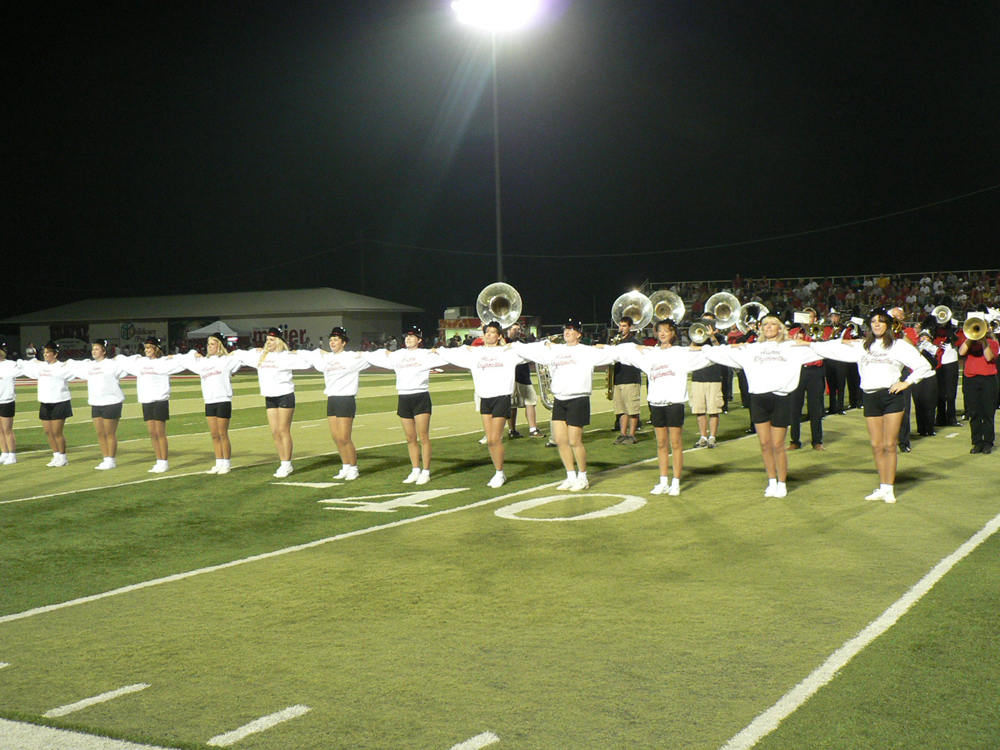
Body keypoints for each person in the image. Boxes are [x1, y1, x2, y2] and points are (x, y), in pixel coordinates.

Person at [811, 309, 932, 503]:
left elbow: (924, 366)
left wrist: (906, 383)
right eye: (873, 321)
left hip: (892, 396)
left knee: (890, 444)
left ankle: (890, 488)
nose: (877, 324)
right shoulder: (863, 346)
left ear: (889, 325)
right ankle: (883, 487)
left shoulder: (898, 345)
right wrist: (837, 342)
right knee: (876, 445)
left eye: (881, 321)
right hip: (870, 397)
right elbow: (829, 350)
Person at [699, 317, 822, 498]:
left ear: (780, 328)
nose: (769, 327)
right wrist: (703, 348)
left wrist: (849, 344)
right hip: (759, 399)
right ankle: (771, 481)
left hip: (780, 399)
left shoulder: (791, 347)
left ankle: (782, 483)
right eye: (765, 324)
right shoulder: (752, 348)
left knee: (778, 445)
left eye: (772, 324)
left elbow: (821, 349)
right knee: (764, 444)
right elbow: (721, 353)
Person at [514, 319, 617, 491]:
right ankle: (570, 476)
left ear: (579, 334)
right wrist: (510, 346)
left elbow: (615, 353)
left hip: (578, 398)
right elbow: (529, 350)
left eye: (571, 330)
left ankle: (583, 477)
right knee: (561, 440)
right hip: (560, 399)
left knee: (575, 441)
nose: (567, 332)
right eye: (566, 330)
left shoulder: (587, 351)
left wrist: (614, 348)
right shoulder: (556, 350)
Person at [616, 319, 712, 495]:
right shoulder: (650, 353)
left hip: (674, 403)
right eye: (659, 330)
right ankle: (663, 481)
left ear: (673, 333)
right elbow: (622, 351)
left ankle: (675, 482)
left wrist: (704, 347)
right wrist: (636, 348)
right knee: (661, 443)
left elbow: (708, 355)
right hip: (656, 403)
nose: (662, 334)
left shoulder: (681, 353)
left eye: (666, 331)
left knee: (675, 443)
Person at [436, 321, 526, 488]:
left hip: (501, 397)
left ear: (499, 336)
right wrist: (437, 350)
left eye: (493, 332)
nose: (489, 335)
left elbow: (529, 352)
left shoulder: (508, 352)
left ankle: (499, 473)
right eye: (487, 332)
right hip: (485, 397)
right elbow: (454, 354)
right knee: (490, 441)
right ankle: (498, 472)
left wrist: (515, 346)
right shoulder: (476, 352)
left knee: (494, 438)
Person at [363, 326, 446, 485]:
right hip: (403, 396)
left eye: (412, 336)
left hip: (420, 395)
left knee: (423, 437)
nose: (408, 339)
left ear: (419, 340)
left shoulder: (426, 354)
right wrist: (362, 354)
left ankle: (426, 472)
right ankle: (415, 470)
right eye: (407, 336)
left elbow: (445, 355)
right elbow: (380, 355)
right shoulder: (398, 355)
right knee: (410, 438)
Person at [233, 327, 310, 478]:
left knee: (283, 431)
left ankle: (287, 463)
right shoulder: (260, 355)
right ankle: (283, 463)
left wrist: (299, 352)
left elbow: (307, 363)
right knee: (275, 432)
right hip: (270, 396)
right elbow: (238, 355)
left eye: (272, 340)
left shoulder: (285, 356)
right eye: (267, 339)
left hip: (285, 395)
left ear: (279, 341)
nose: (268, 342)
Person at [299, 327, 370, 480]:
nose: (332, 342)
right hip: (332, 399)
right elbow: (309, 355)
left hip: (346, 399)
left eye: (336, 339)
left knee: (345, 437)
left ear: (344, 343)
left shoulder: (352, 357)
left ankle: (353, 468)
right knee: (336, 437)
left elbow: (373, 358)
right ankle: (345, 466)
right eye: (331, 340)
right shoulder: (326, 358)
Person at [117, 336, 187, 473]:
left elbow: (183, 361)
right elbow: (124, 360)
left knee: (160, 432)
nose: (147, 350)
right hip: (146, 400)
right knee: (152, 432)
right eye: (146, 348)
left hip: (160, 400)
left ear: (156, 349)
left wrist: (176, 357)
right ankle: (158, 460)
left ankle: (164, 461)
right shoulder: (141, 362)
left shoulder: (164, 362)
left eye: (149, 348)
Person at [180, 332, 245, 474]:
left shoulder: (227, 360)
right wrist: (194, 353)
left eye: (213, 344)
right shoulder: (203, 362)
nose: (210, 347)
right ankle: (218, 462)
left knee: (223, 433)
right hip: (209, 400)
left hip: (223, 399)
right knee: (214, 434)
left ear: (219, 345)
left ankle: (226, 463)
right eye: (208, 344)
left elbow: (240, 358)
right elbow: (185, 358)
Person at [68, 339, 128, 470]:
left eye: (97, 349)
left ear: (104, 351)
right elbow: (74, 366)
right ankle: (105, 459)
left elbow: (125, 367)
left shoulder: (112, 364)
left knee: (110, 433)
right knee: (100, 433)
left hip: (112, 402)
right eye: (93, 349)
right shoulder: (89, 365)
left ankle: (111, 460)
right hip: (96, 402)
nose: (94, 351)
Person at [19, 341, 77, 466]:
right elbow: (29, 364)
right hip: (45, 402)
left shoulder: (63, 367)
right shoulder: (42, 367)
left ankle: (63, 457)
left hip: (60, 401)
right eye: (44, 352)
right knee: (48, 431)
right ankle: (56, 455)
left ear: (55, 354)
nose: (45, 355)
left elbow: (77, 370)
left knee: (57, 432)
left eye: (48, 352)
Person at [957, 317, 998, 454]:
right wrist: (970, 338)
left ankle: (988, 442)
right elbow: (961, 352)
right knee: (974, 413)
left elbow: (989, 357)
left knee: (987, 412)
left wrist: (983, 341)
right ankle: (977, 442)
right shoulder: (969, 344)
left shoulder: (993, 343)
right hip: (971, 380)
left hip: (988, 380)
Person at [787, 315, 826, 451]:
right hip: (798, 371)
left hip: (815, 371)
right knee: (794, 407)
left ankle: (817, 441)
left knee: (815, 407)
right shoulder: (793, 332)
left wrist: (814, 336)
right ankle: (795, 441)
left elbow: (824, 347)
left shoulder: (820, 331)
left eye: (809, 317)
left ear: (814, 319)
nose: (806, 320)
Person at [691, 312, 726, 448]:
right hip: (698, 377)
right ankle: (703, 437)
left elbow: (720, 352)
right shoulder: (697, 336)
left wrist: (712, 337)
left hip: (713, 377)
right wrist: (696, 336)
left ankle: (712, 437)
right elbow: (690, 349)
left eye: (709, 323)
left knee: (713, 409)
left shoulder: (720, 338)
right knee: (699, 409)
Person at [505, 323, 544, 438]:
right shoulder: (503, 342)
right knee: (515, 405)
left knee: (528, 402)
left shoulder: (521, 342)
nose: (518, 331)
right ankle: (515, 430)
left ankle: (529, 429)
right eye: (515, 329)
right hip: (513, 377)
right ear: (508, 329)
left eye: (519, 329)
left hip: (523, 375)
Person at [610, 316, 643, 444]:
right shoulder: (616, 342)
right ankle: (623, 434)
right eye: (620, 325)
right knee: (621, 410)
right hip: (618, 378)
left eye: (624, 326)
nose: (621, 328)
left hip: (631, 378)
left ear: (630, 327)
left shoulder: (635, 342)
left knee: (632, 410)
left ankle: (632, 434)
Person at [0, 341, 22, 465]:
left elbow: (24, 370)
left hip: (7, 400)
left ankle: (12, 454)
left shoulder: (11, 364)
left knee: (7, 429)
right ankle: (4, 453)